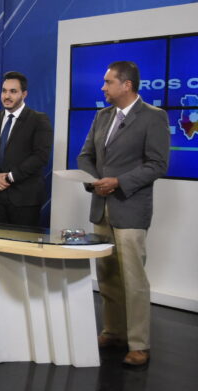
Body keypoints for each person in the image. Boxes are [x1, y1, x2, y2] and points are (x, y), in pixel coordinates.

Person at [77, 61, 169, 366]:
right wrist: (95, 182)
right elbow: (85, 156)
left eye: (108, 82)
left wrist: (118, 182)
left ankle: (139, 343)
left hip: (130, 208)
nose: (103, 87)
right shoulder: (102, 116)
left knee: (133, 279)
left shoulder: (154, 117)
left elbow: (157, 165)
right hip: (101, 208)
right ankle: (113, 331)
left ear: (126, 85)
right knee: (107, 276)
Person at [0, 71, 53, 227]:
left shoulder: (38, 119)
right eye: (4, 91)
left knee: (24, 242)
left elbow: (40, 156)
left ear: (24, 94)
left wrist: (10, 177)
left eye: (13, 91)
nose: (7, 96)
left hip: (25, 198)